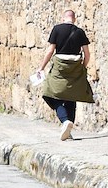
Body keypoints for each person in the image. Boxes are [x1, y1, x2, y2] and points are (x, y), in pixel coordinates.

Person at [37, 9, 94, 141]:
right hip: (75, 67)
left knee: (48, 93)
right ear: (74, 19)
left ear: (64, 18)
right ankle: (68, 127)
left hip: (59, 67)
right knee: (71, 96)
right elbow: (87, 53)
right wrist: (83, 68)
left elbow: (50, 50)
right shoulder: (80, 32)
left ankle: (64, 121)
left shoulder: (57, 29)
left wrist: (41, 67)